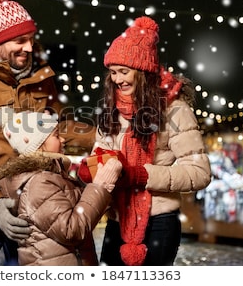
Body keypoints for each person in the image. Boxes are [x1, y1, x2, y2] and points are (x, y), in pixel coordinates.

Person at [0, 0, 94, 266]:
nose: (29, 47)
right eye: (20, 40)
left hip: (32, 212)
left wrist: (102, 137)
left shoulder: (41, 77)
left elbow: (58, 127)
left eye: (30, 39)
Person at [87, 16, 212, 266]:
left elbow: (200, 173)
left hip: (159, 225)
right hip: (116, 220)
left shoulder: (174, 110)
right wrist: (90, 168)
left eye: (124, 71)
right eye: (113, 72)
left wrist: (144, 176)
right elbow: (99, 155)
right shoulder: (112, 109)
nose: (117, 80)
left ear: (143, 72)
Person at [0, 107, 122, 265]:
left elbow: (77, 208)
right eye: (56, 136)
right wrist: (100, 187)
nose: (62, 140)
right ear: (39, 145)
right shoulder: (39, 183)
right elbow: (71, 230)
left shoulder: (52, 175)